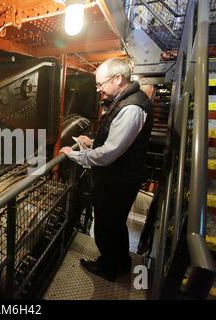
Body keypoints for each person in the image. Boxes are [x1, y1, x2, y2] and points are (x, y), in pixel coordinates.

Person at [60, 58, 154, 282]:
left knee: (107, 225)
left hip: (117, 181)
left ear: (118, 79)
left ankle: (108, 267)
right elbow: (117, 143)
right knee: (115, 224)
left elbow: (109, 154)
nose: (99, 90)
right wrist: (92, 142)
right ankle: (121, 262)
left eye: (101, 84)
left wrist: (74, 154)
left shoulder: (131, 108)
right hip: (119, 178)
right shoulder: (127, 100)